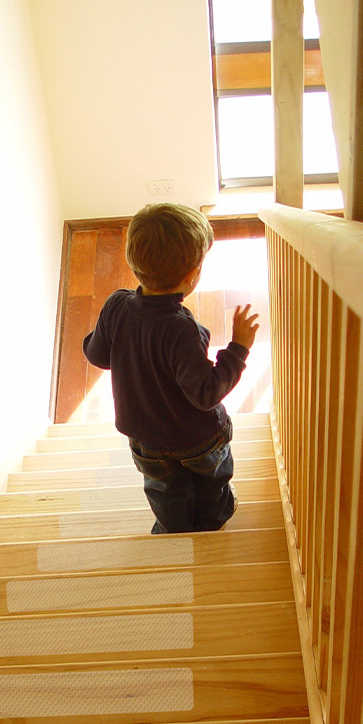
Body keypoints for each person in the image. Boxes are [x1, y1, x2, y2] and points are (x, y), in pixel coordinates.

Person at [82, 202, 259, 534]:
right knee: (212, 480)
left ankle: (174, 530)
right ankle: (211, 524)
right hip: (199, 440)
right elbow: (205, 393)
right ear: (192, 275)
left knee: (164, 489)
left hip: (146, 439)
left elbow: (97, 355)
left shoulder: (116, 306)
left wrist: (113, 333)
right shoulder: (183, 330)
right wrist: (239, 348)